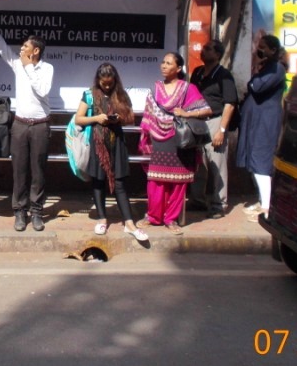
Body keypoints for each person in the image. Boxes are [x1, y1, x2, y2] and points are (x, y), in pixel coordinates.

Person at [0, 6, 54, 232]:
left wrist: (29, 67)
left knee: (38, 171)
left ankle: (37, 211)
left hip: (40, 125)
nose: (20, 50)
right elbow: (0, 44)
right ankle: (19, 212)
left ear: (36, 51)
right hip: (20, 124)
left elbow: (42, 90)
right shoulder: (17, 64)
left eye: (25, 47)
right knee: (19, 170)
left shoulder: (46, 68)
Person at [138, 52, 212, 235]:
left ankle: (171, 219)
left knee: (178, 182)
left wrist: (187, 114)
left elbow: (206, 110)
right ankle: (154, 217)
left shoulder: (188, 88)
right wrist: (148, 134)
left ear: (178, 69)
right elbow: (148, 114)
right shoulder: (154, 89)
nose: (163, 66)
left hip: (180, 139)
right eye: (163, 62)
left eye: (168, 63)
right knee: (156, 180)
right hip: (158, 137)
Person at [74, 63, 148, 241]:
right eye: (103, 83)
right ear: (98, 80)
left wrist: (118, 119)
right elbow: (79, 118)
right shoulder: (90, 94)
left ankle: (129, 223)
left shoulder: (121, 94)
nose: (106, 86)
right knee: (98, 181)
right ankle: (101, 218)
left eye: (109, 83)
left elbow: (130, 117)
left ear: (115, 80)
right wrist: (97, 118)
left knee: (120, 183)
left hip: (117, 143)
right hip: (98, 144)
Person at [236, 34, 288, 222]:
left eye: (264, 47)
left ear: (273, 50)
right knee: (254, 160)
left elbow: (257, 87)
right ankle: (262, 201)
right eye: (259, 46)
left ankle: (267, 208)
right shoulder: (266, 67)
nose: (260, 50)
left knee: (261, 163)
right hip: (256, 122)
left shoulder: (276, 69)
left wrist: (251, 80)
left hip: (265, 123)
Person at [189, 39, 239, 219]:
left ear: (217, 54)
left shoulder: (224, 75)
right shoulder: (198, 72)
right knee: (199, 162)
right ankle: (198, 199)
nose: (203, 51)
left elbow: (230, 104)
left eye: (208, 49)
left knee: (216, 163)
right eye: (203, 48)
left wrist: (222, 130)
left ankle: (218, 204)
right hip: (197, 122)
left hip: (215, 121)